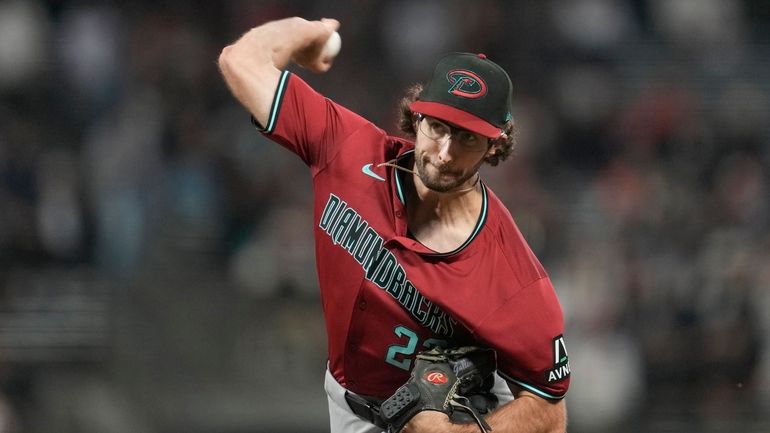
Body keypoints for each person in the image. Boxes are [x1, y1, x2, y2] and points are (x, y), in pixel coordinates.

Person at [218, 17, 570, 433]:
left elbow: (550, 411)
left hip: (463, 417)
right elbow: (240, 60)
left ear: (495, 145)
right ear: (416, 117)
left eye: (467, 138)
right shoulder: (347, 150)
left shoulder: (512, 276)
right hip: (349, 404)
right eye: (438, 127)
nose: (444, 152)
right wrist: (304, 32)